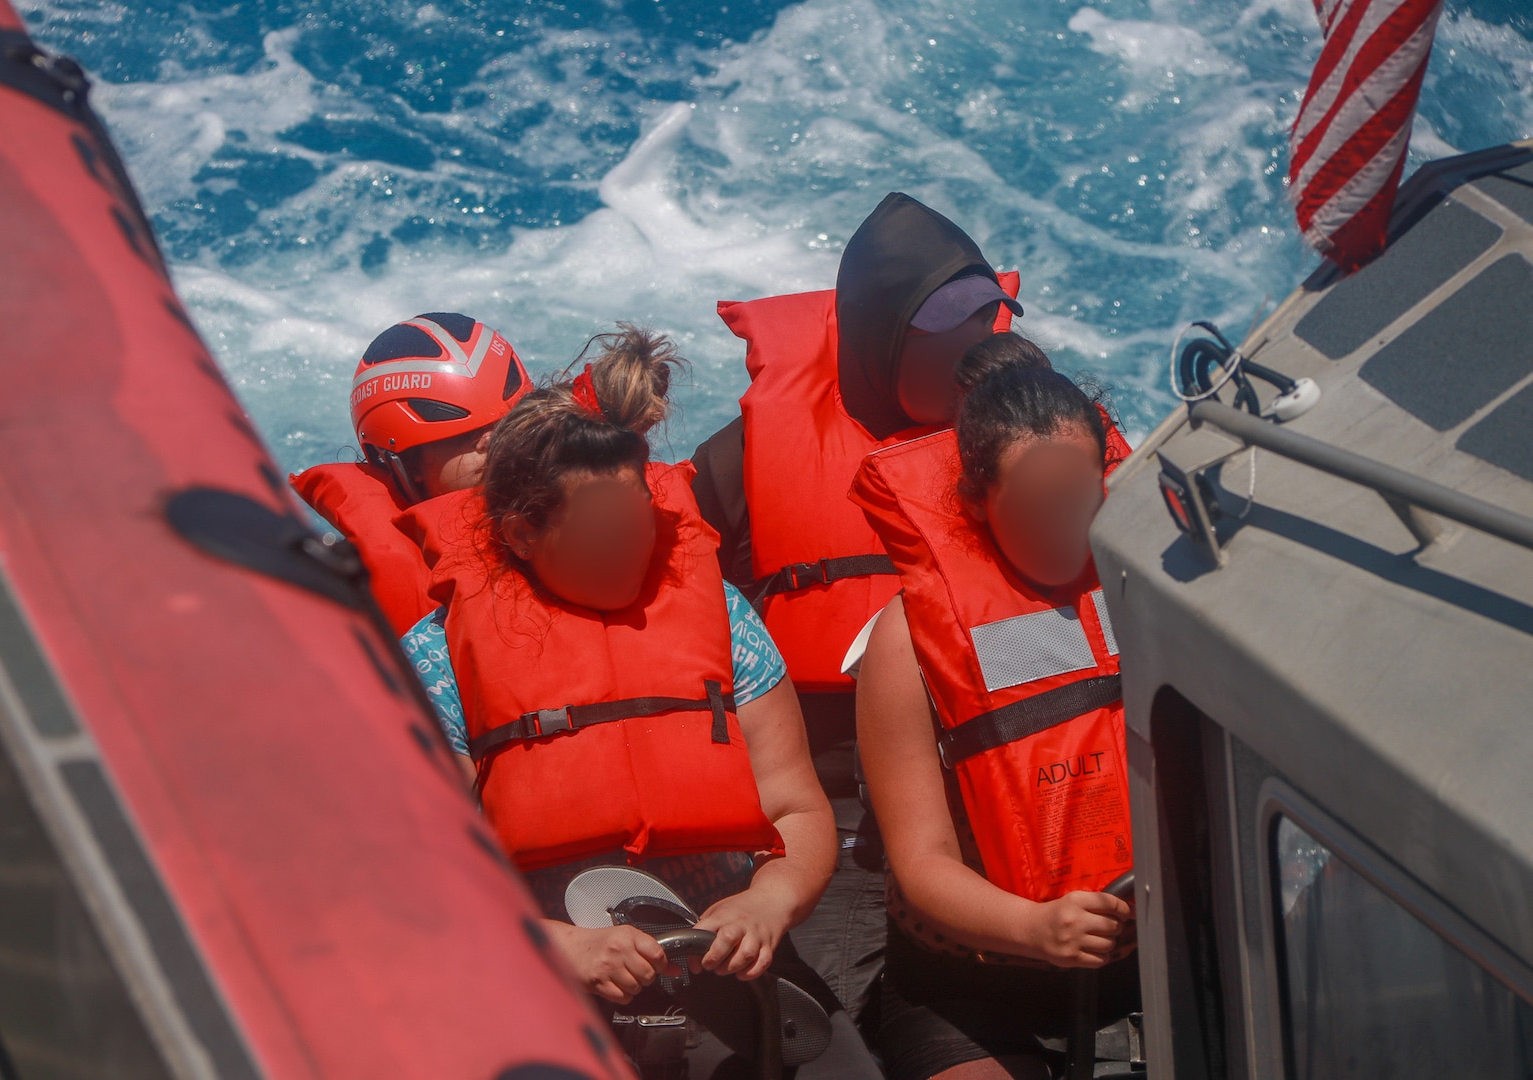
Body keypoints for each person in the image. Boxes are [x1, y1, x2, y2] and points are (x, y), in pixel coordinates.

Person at [402, 327, 877, 1077]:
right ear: (522, 533)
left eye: (639, 523)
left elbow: (797, 809)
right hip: (539, 964)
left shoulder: (717, 616)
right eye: (601, 534)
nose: (631, 549)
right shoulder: (434, 663)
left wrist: (770, 903)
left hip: (726, 952)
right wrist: (562, 946)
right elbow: (422, 877)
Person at [689, 191, 1024, 1020]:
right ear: (880, 338)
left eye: (980, 331)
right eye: (941, 340)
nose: (967, 355)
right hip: (836, 797)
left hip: (1000, 766)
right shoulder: (741, 464)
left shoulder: (1020, 433)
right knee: (832, 1020)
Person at [848, 363, 1136, 1080]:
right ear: (976, 503)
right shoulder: (903, 642)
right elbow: (921, 866)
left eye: (1079, 497)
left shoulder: (1148, 592)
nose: (1064, 526)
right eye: (1036, 505)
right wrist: (1038, 929)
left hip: (1145, 962)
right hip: (969, 987)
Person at [290, 312, 532, 634]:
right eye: (464, 436)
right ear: (408, 466)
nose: (494, 442)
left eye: (511, 423)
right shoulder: (369, 593)